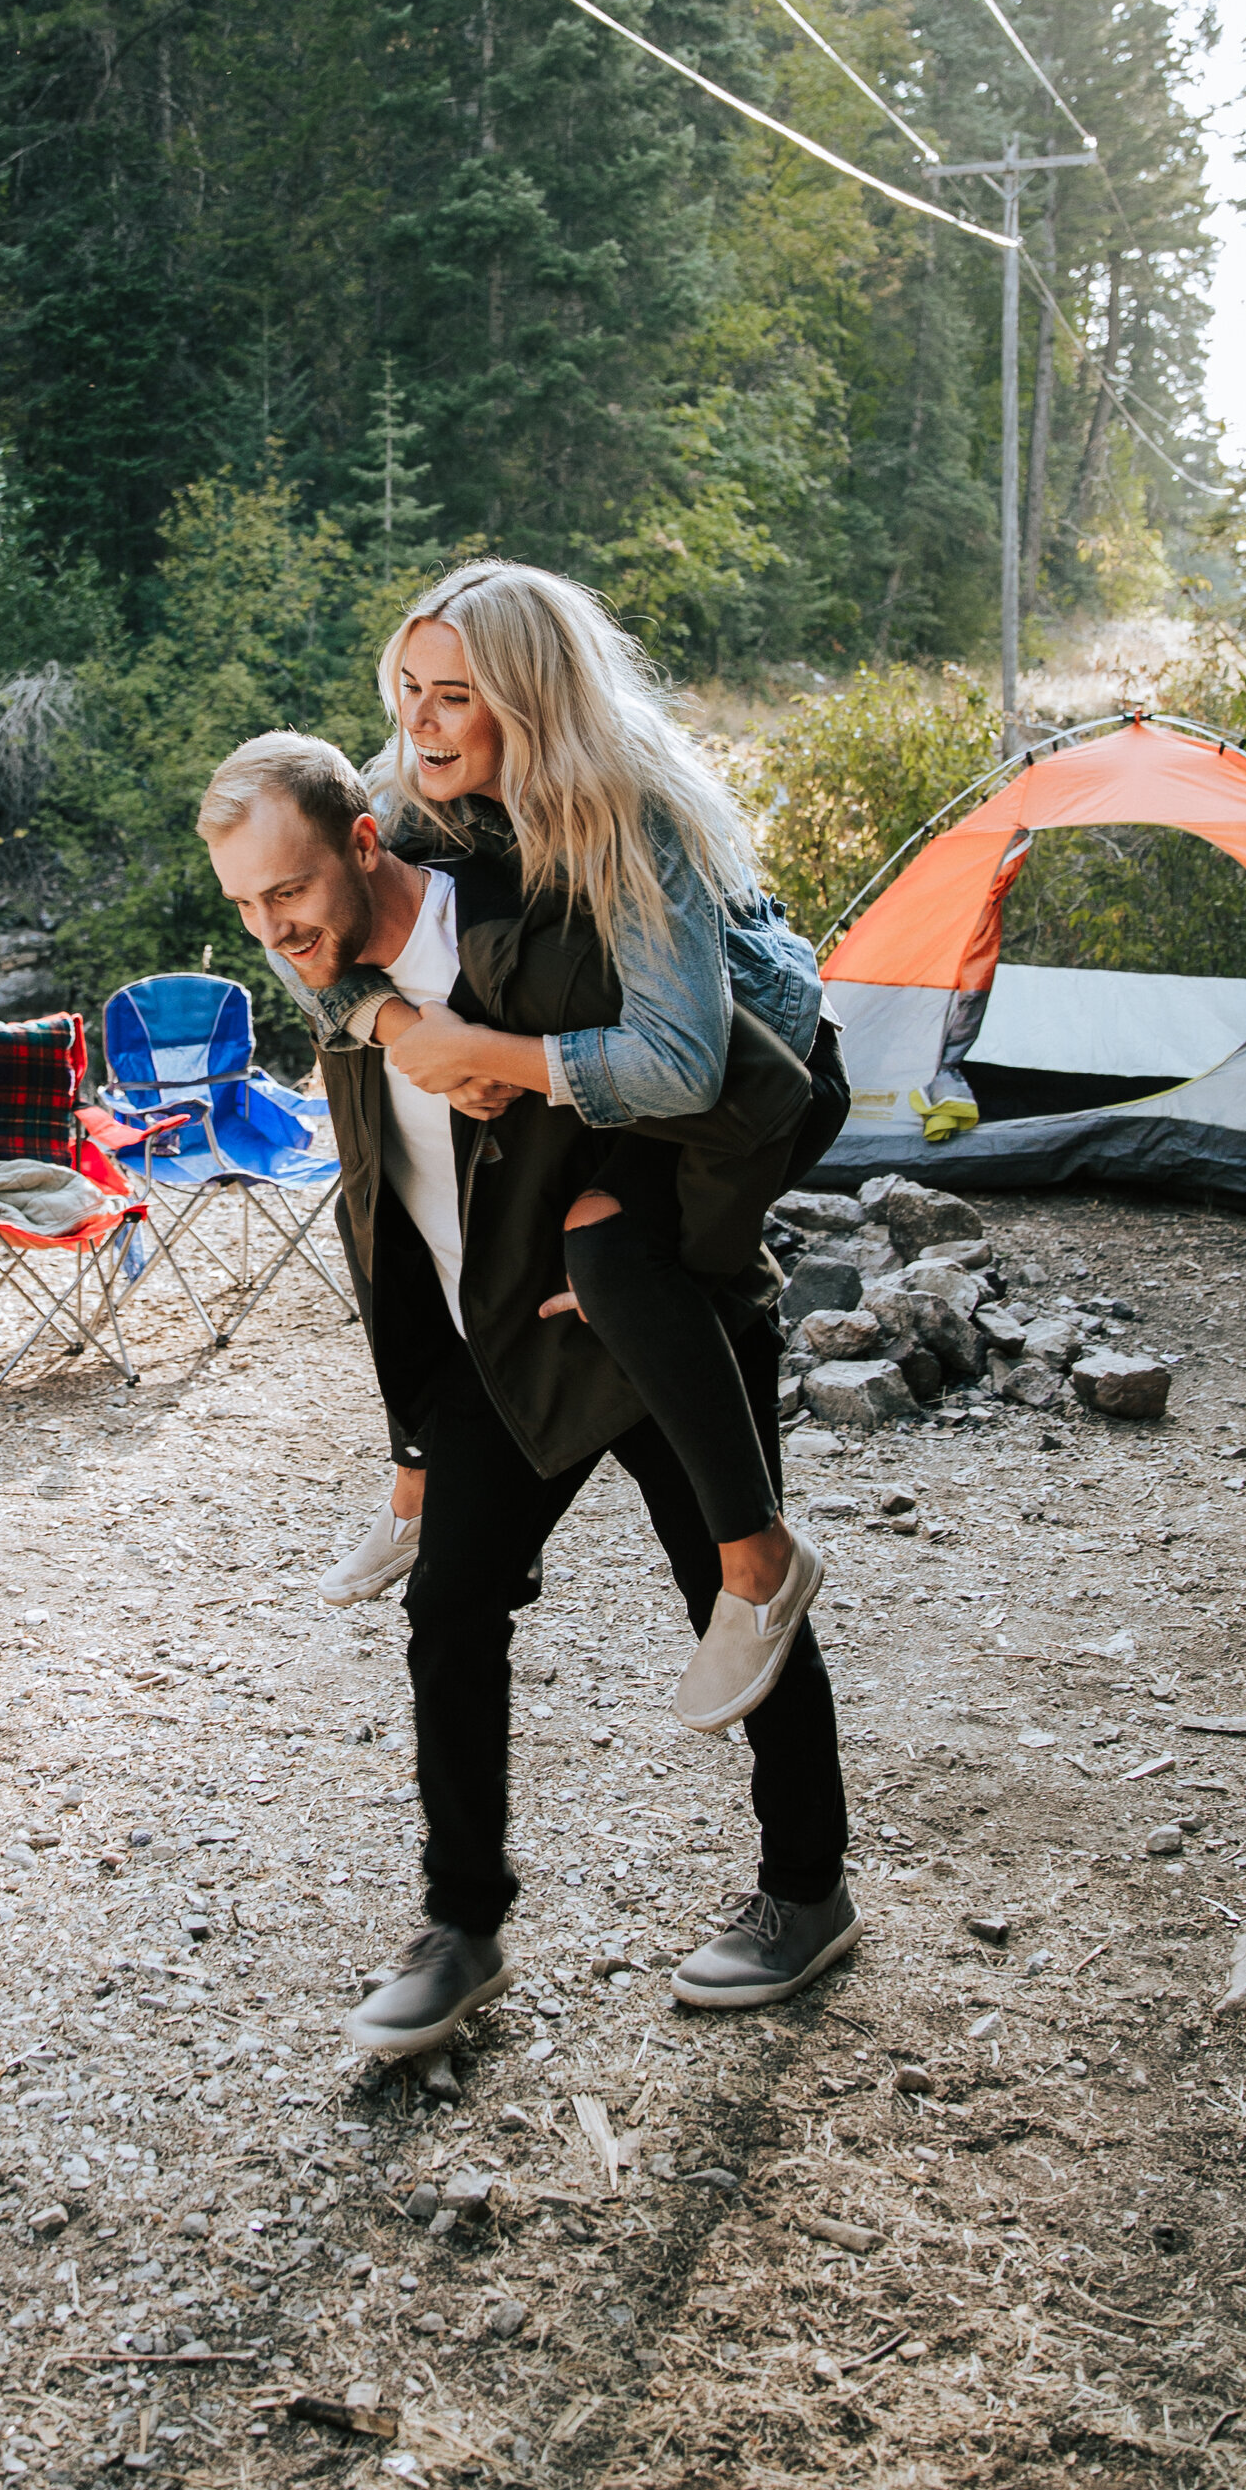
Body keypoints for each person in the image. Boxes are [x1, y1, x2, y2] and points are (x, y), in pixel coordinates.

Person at [197, 726, 859, 2053]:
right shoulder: (344, 986)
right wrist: (408, 1437)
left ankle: (807, 1892)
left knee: (731, 1587)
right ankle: (463, 1926)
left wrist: (661, 1239)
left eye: (291, 895)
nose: (273, 929)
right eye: (246, 907)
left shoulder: (548, 930)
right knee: (449, 1606)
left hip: (642, 1326)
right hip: (492, 1348)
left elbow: (778, 1085)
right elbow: (388, 1212)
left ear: (365, 842)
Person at [309, 561, 846, 1742]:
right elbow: (307, 926)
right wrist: (404, 1027)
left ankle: (756, 1570)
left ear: (530, 700)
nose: (417, 719)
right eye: (407, 686)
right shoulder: (410, 795)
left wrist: (493, 1056)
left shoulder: (625, 808)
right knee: (395, 1235)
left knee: (611, 1261)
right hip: (633, 1098)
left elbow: (683, 1069)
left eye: (453, 695)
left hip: (752, 1087)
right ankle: (420, 1479)